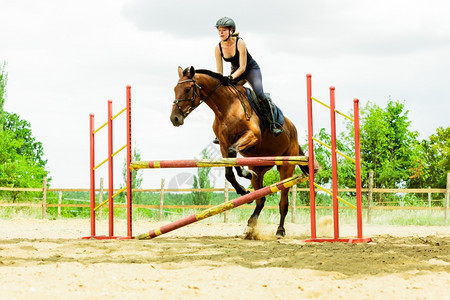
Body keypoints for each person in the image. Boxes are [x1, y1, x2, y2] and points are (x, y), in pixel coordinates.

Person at [214, 16, 283, 137]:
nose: (221, 32)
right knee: (224, 94)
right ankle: (222, 129)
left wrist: (230, 77)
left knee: (259, 94)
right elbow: (219, 72)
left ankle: (272, 124)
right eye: (219, 30)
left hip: (250, 69)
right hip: (236, 71)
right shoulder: (218, 48)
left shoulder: (240, 43)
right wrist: (221, 81)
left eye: (224, 30)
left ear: (231, 31)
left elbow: (243, 68)